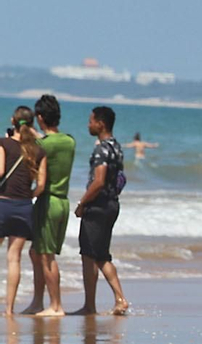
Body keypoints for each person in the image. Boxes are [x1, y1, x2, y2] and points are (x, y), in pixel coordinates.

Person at [71, 106, 130, 316]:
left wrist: (82, 203)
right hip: (112, 203)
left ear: (100, 123)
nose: (89, 125)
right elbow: (119, 178)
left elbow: (98, 181)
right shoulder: (117, 147)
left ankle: (90, 305)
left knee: (88, 254)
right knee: (102, 255)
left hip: (98, 206)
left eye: (91, 121)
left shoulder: (102, 149)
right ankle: (119, 299)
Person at [24, 94, 74, 317]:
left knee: (46, 256)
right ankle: (37, 301)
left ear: (40, 117)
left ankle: (56, 305)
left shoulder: (42, 144)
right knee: (36, 252)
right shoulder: (69, 141)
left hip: (48, 201)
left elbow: (35, 158)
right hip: (63, 201)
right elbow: (51, 147)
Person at [1, 108, 44, 314]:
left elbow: (0, 171)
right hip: (24, 206)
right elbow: (41, 185)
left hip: (3, 204)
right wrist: (28, 195)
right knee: (14, 258)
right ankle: (9, 309)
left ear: (13, 121)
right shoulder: (38, 150)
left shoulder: (4, 143)